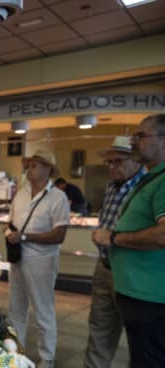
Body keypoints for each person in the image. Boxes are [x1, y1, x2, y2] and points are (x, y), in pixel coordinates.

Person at [93, 114, 165, 367]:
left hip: (147, 293)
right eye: (108, 162)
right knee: (105, 337)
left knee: (148, 356)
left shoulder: (160, 181)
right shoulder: (135, 183)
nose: (136, 141)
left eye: (141, 136)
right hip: (118, 277)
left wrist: (114, 238)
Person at [84, 136, 146, 368]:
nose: (111, 167)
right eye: (109, 162)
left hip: (131, 271)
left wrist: (112, 238)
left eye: (118, 161)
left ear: (136, 160)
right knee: (99, 333)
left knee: (139, 340)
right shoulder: (111, 187)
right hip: (104, 267)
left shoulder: (146, 187)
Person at [5, 150, 70, 368]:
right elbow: (9, 221)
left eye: (35, 165)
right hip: (18, 258)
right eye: (29, 165)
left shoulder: (58, 198)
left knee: (43, 310)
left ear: (47, 169)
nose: (29, 168)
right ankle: (16, 353)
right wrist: (8, 232)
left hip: (42, 260)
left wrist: (24, 236)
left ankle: (47, 358)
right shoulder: (21, 194)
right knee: (16, 309)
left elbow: (59, 235)